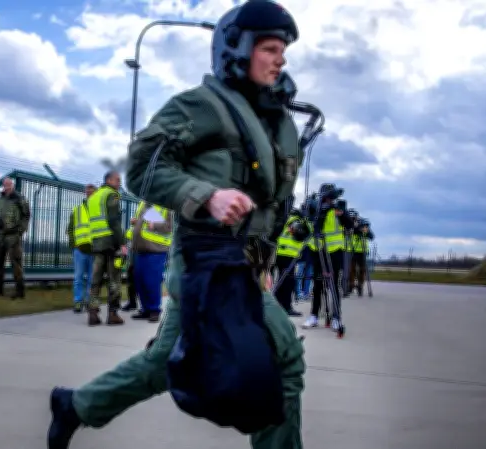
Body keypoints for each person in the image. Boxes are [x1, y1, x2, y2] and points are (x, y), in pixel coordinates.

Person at [47, 2, 306, 447]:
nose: (279, 60)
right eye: (269, 48)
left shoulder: (274, 121)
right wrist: (206, 196)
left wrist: (263, 261)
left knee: (162, 363)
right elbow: (141, 167)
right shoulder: (201, 106)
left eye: (283, 51)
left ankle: (76, 405)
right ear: (236, 49)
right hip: (207, 259)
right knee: (282, 354)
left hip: (243, 262)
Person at [301, 184, 353, 332]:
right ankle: (314, 316)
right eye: (327, 197)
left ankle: (336, 318)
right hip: (319, 251)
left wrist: (342, 214)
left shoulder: (337, 209)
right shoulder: (315, 208)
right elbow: (310, 225)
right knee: (317, 285)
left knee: (333, 285)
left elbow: (350, 225)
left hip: (334, 252)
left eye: (331, 198)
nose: (329, 201)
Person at [85, 171, 126, 326]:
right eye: (117, 180)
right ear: (109, 180)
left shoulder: (94, 197)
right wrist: (122, 243)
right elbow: (114, 221)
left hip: (97, 243)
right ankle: (113, 314)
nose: (119, 183)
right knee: (114, 278)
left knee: (95, 279)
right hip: (110, 243)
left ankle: (93, 313)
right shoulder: (111, 195)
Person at [127, 200, 173, 322]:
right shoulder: (143, 203)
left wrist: (155, 225)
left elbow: (170, 226)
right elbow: (144, 222)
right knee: (139, 280)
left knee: (151, 281)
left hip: (156, 249)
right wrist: (136, 222)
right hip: (140, 248)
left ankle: (154, 310)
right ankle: (145, 309)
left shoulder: (166, 204)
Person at [0, 177, 30, 298]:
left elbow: (26, 216)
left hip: (13, 236)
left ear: (13, 186)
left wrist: (20, 231)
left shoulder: (19, 199)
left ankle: (20, 291)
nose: (7, 187)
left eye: (9, 185)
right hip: (0, 237)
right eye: (5, 185)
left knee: (16, 263)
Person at [66, 184, 96, 313]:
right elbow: (70, 229)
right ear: (85, 193)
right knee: (78, 277)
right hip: (80, 249)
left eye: (92, 193)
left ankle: (89, 302)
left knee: (92, 278)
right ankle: (78, 301)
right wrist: (74, 244)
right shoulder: (77, 210)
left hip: (95, 250)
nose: (89, 194)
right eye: (88, 192)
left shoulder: (100, 211)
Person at [273, 208, 305, 316]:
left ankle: (277, 305)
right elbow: (301, 236)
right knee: (288, 283)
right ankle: (286, 307)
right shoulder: (296, 221)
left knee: (281, 281)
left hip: (280, 253)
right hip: (288, 255)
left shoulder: (285, 219)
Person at [348, 218, 374, 296]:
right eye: (363, 226)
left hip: (363, 252)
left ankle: (360, 285)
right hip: (353, 251)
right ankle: (351, 285)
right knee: (352, 269)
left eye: (366, 226)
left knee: (362, 270)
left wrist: (367, 231)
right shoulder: (354, 229)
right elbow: (353, 231)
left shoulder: (366, 231)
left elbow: (371, 237)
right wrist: (359, 230)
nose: (365, 228)